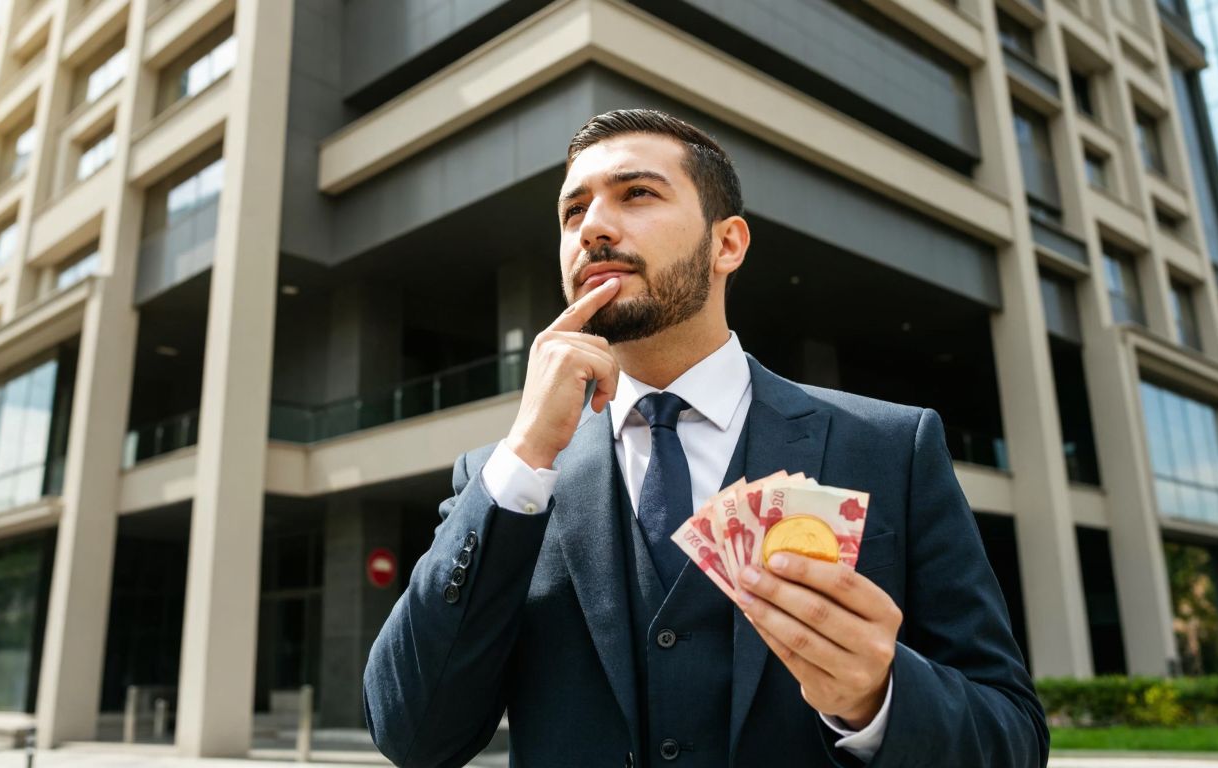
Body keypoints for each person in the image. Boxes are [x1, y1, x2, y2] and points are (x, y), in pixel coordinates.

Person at [363, 109, 1047, 767]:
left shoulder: (891, 447)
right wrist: (523, 457)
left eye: (636, 194)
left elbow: (1012, 736)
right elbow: (412, 735)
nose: (594, 226)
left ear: (728, 244)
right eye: (573, 212)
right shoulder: (505, 481)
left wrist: (878, 701)